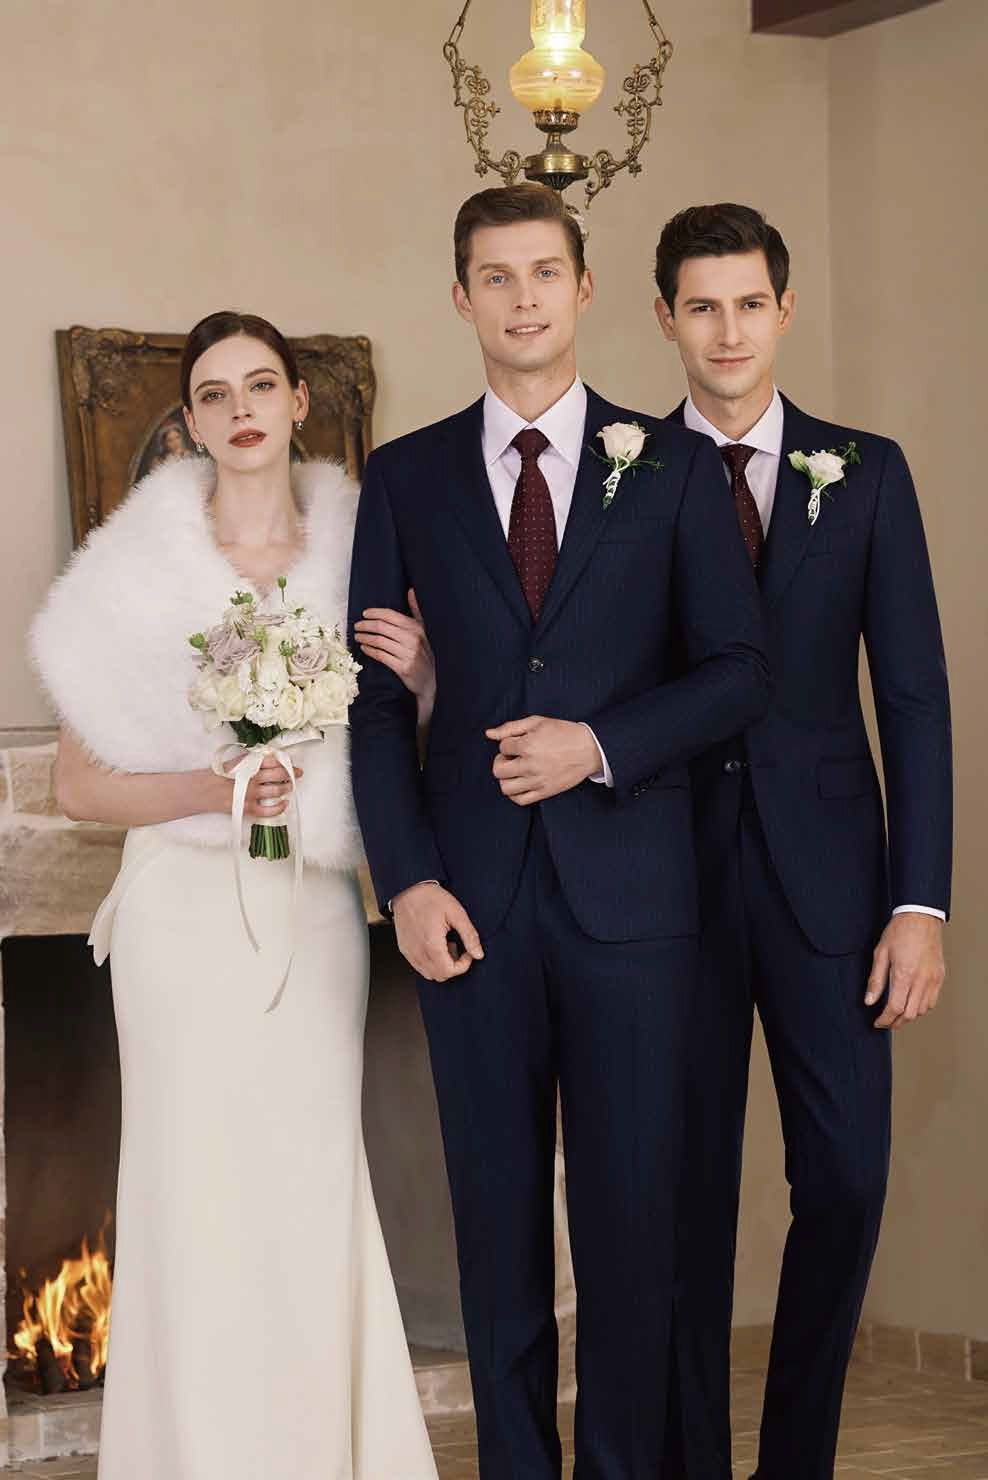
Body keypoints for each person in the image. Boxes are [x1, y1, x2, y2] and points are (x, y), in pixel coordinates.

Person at [347, 183, 771, 1480]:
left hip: (636, 914)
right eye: (496, 275)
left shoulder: (677, 464)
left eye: (545, 272)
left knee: (634, 1238)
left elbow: (739, 670)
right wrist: (408, 883)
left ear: (585, 291)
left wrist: (598, 745)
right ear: (460, 296)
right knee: (496, 1237)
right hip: (470, 910)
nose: (523, 297)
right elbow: (370, 707)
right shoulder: (406, 477)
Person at [30, 311, 438, 1480]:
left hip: (312, 914)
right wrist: (213, 791)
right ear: (192, 422)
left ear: (301, 400)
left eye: (263, 384)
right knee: (192, 1194)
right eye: (215, 393)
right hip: (182, 920)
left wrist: (419, 680)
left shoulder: (369, 548)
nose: (242, 407)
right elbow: (76, 784)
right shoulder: (134, 567)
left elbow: (419, 746)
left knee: (309, 1185)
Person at [653, 204, 952, 1479]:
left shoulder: (866, 468)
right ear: (664, 316)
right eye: (700, 305)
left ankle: (795, 1461)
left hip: (836, 893)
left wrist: (919, 903)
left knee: (844, 1178)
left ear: (784, 310)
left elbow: (916, 697)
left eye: (747, 303)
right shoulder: (621, 473)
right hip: (659, 883)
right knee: (681, 1206)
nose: (727, 330)